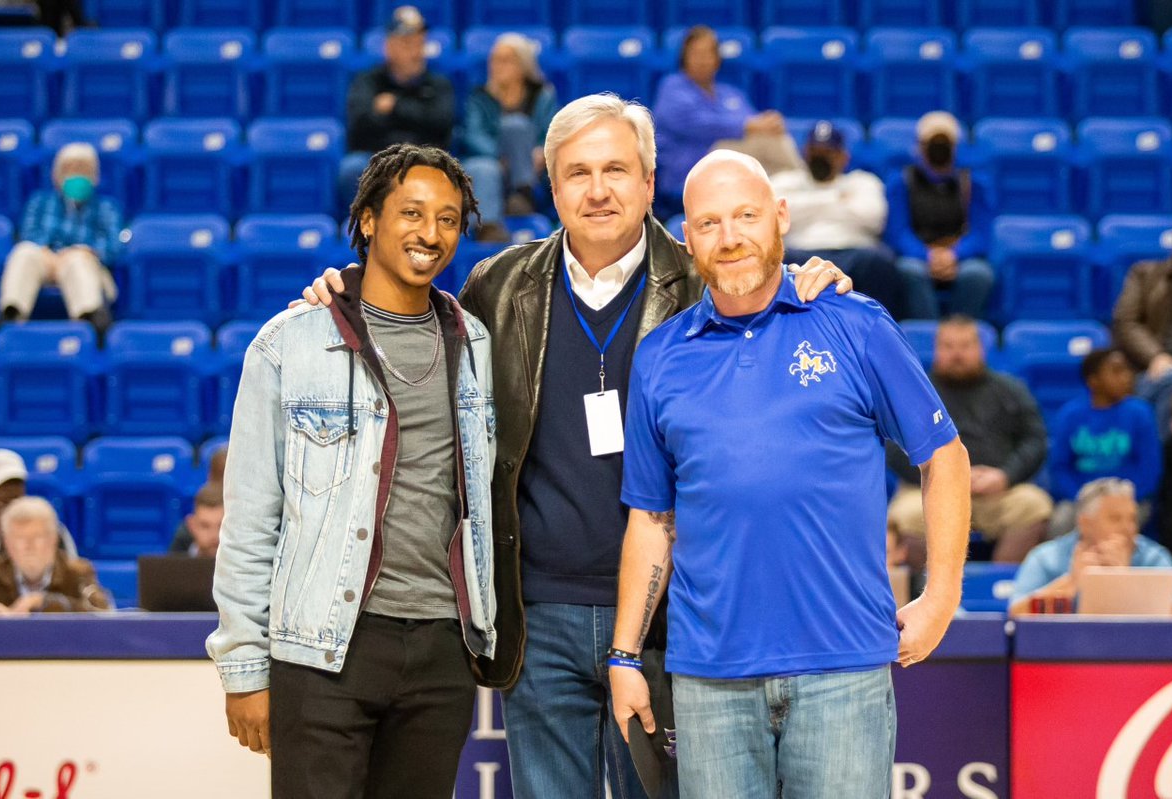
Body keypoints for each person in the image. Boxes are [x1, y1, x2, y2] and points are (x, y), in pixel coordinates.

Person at [299, 93, 852, 799]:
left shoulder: (705, 283)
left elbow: (773, 296)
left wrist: (816, 281)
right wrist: (342, 291)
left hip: (678, 620)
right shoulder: (496, 285)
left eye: (616, 169)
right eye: (578, 172)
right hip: (539, 616)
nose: (597, 190)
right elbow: (409, 325)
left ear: (649, 182)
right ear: (551, 185)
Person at [609, 149, 970, 797]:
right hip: (709, 678)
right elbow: (652, 518)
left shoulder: (855, 324)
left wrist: (942, 595)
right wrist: (625, 654)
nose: (731, 237)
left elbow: (944, 456)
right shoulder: (660, 358)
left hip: (842, 668)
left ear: (780, 217)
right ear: (688, 238)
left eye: (746, 215)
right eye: (710, 222)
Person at [206, 144, 498, 798]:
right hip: (325, 649)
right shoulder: (288, 344)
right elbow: (250, 520)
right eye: (412, 213)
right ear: (367, 219)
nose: (431, 233)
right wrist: (244, 668)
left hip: (441, 649)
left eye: (449, 219)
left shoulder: (474, 343)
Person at [888, 316, 1052, 566]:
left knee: (1034, 506)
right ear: (936, 350)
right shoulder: (916, 391)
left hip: (998, 491)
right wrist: (941, 477)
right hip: (929, 490)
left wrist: (1006, 476)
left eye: (965, 346)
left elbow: (1035, 440)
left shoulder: (1010, 389)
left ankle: (1000, 588)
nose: (957, 354)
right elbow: (893, 446)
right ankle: (929, 594)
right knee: (905, 515)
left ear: (980, 349)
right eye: (949, 347)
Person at [652, 26, 798, 214]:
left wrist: (767, 123)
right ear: (684, 58)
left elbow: (753, 123)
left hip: (734, 169)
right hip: (689, 168)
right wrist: (750, 126)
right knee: (765, 143)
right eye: (696, 53)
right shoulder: (672, 88)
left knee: (771, 142)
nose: (702, 60)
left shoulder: (731, 93)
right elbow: (696, 125)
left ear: (717, 59)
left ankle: (794, 197)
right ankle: (810, 185)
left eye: (708, 53)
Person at [0, 142, 120, 339]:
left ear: (95, 176)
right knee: (24, 252)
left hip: (87, 261)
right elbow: (29, 234)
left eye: (83, 169)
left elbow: (113, 246)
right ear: (57, 176)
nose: (77, 175)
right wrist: (51, 252)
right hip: (45, 258)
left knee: (77, 260)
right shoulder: (40, 202)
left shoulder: (108, 207)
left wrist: (83, 250)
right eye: (71, 169)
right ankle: (10, 315)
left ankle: (91, 322)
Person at [772, 119, 903, 318]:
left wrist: (806, 206)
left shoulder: (863, 181)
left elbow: (874, 219)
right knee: (775, 262)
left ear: (843, 156)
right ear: (805, 153)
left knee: (880, 261)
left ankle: (878, 325)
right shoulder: (785, 182)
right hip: (798, 253)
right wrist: (837, 199)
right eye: (815, 152)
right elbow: (775, 218)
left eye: (828, 153)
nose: (821, 158)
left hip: (856, 253)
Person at [338, 5, 455, 208]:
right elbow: (360, 125)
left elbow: (441, 122)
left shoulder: (438, 83)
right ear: (389, 47)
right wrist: (417, 114)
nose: (416, 52)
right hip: (378, 158)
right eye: (408, 44)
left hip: (427, 158)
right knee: (352, 167)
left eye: (420, 43)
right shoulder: (368, 82)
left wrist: (395, 106)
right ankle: (365, 229)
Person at [885, 111, 995, 320]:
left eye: (944, 144)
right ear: (919, 146)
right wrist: (928, 256)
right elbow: (898, 234)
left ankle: (959, 334)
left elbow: (981, 234)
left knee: (978, 274)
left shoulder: (973, 185)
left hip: (959, 257)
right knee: (909, 271)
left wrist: (954, 255)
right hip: (918, 256)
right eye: (932, 143)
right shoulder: (901, 183)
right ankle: (928, 337)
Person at [1009, 478, 1172, 615]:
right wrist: (1071, 583)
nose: (1128, 528)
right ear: (1085, 523)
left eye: (1132, 519)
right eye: (1115, 519)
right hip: (1064, 649)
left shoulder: (1154, 558)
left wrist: (1123, 580)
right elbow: (1016, 614)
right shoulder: (1046, 558)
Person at [1047, 348, 1161, 536]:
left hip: (1131, 499)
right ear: (1094, 381)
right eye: (1116, 371)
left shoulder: (1140, 413)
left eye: (1127, 370)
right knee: (1061, 522)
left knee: (1117, 525)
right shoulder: (1070, 415)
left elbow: (1150, 469)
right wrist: (1082, 498)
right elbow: (1059, 468)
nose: (1126, 377)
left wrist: (1123, 499)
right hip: (1081, 499)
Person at [462, 33, 558, 242]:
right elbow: (472, 135)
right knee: (483, 167)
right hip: (493, 165)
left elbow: (553, 131)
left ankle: (523, 195)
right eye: (494, 60)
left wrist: (542, 152)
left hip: (532, 170)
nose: (497, 66)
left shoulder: (542, 94)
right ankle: (486, 227)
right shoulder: (480, 96)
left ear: (522, 65)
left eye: (505, 60)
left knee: (516, 125)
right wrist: (500, 157)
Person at [0, 496, 109, 615]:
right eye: (20, 539)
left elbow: (103, 611)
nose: (29, 546)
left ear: (54, 540)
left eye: (37, 537)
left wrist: (44, 602)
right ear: (7, 544)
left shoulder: (78, 572)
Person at [1112, 252, 1172, 439]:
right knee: (1170, 380)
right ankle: (1157, 461)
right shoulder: (1145, 274)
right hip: (1147, 371)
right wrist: (1156, 356)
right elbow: (1126, 322)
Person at [0, 448, 76, 560]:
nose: (11, 492)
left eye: (16, 484)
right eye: (2, 486)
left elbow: (69, 572)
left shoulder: (50, 527)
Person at [169, 481, 223, 558]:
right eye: (205, 526)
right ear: (192, 525)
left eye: (221, 526)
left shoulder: (244, 565)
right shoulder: (172, 565)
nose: (214, 535)